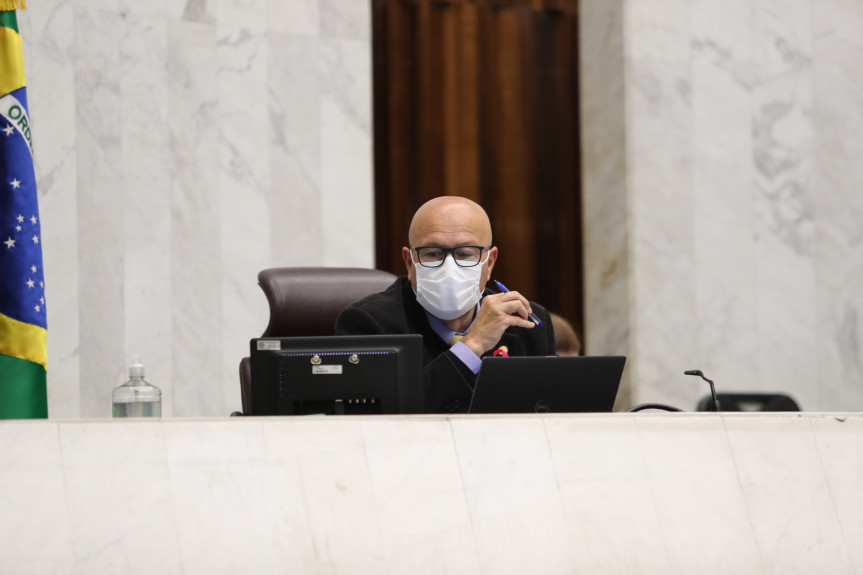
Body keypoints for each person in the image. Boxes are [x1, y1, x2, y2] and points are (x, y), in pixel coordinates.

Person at [335, 196, 556, 413]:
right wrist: (472, 346)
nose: (449, 267)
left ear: (489, 263)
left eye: (465, 253)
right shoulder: (368, 323)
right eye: (433, 253)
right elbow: (389, 419)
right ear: (409, 262)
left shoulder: (526, 320)